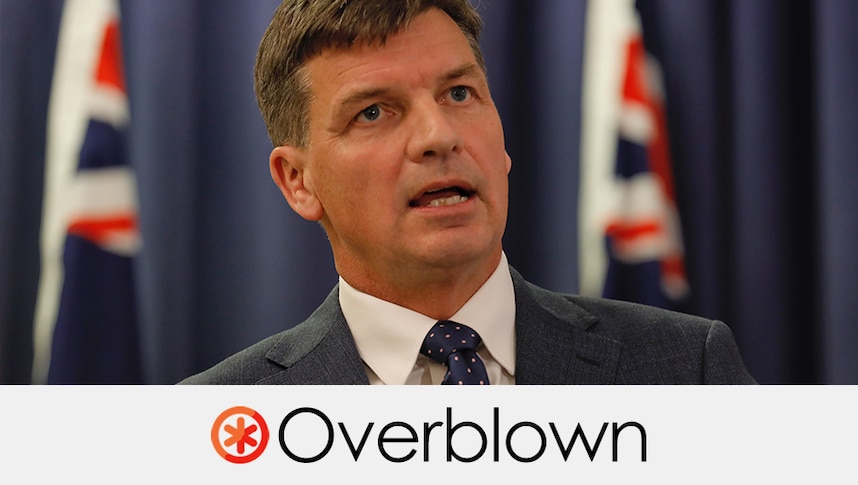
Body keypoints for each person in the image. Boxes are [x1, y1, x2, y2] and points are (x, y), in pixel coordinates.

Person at [180, 0, 755, 385]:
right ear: (298, 182)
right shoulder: (215, 423)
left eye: (458, 94)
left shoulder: (684, 369)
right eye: (374, 112)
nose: (439, 136)